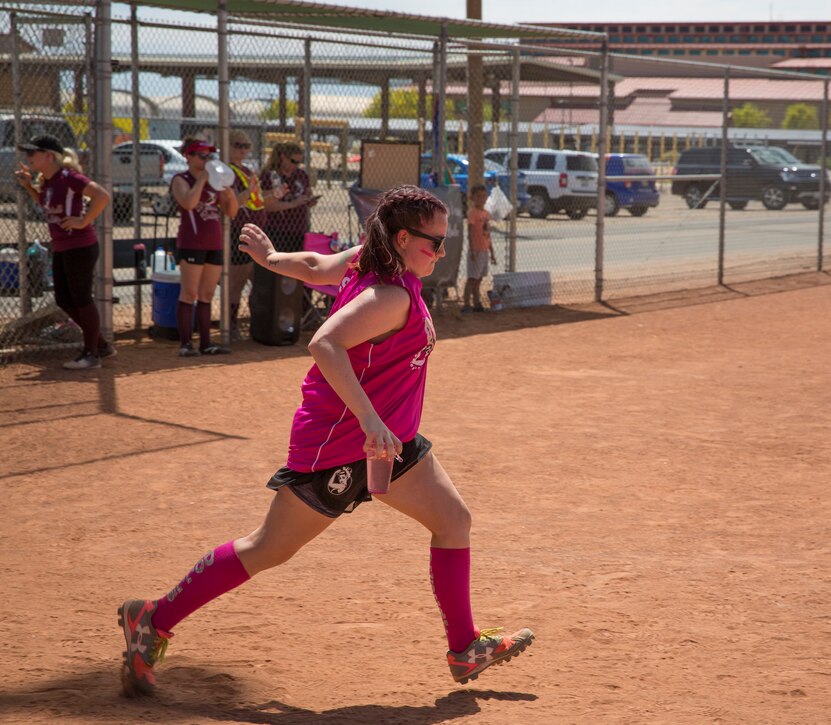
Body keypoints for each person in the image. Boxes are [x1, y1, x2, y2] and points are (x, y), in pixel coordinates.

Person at [116, 185, 534, 698]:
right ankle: (152, 619)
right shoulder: (390, 295)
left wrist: (271, 257)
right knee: (268, 548)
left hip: (388, 441)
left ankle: (464, 646)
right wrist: (368, 418)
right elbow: (324, 343)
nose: (443, 253)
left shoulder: (375, 264)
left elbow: (315, 266)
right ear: (403, 238)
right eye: (435, 243)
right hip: (339, 443)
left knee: (453, 521)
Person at [14, 135, 113, 370]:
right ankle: (100, 345)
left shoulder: (69, 177)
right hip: (62, 246)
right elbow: (47, 206)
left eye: (33, 153)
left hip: (80, 245)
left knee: (81, 299)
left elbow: (102, 196)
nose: (28, 157)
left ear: (49, 156)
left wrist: (84, 220)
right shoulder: (48, 182)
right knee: (64, 300)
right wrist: (29, 186)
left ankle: (91, 355)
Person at [171, 137, 239, 357]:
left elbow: (231, 212)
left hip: (213, 242)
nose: (206, 160)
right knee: (189, 293)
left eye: (209, 156)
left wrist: (229, 195)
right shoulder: (181, 179)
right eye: (201, 156)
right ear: (189, 157)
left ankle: (206, 343)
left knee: (206, 294)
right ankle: (185, 344)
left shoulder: (215, 182)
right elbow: (189, 203)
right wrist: (201, 180)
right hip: (192, 243)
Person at [226, 130, 264, 341]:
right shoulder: (226, 172)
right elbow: (233, 205)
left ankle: (256, 323)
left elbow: (257, 202)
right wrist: (248, 191)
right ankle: (230, 325)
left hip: (254, 231)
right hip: (236, 232)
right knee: (236, 282)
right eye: (237, 145)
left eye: (246, 146)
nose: (242, 150)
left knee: (258, 281)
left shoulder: (247, 171)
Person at [260, 141, 318, 253]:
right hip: (277, 229)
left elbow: (307, 192)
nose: (296, 165)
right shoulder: (270, 175)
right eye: (293, 161)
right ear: (283, 158)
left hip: (299, 228)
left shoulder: (301, 174)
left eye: (299, 162)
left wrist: (310, 201)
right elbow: (266, 205)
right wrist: (294, 203)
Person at [462, 184, 497, 314]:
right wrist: (472, 251)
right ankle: (466, 304)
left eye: (483, 196)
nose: (481, 199)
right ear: (472, 198)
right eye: (478, 196)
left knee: (479, 278)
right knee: (472, 278)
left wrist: (492, 252)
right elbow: (470, 233)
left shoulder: (486, 213)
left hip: (484, 250)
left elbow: (487, 234)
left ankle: (476, 303)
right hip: (475, 250)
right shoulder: (472, 213)